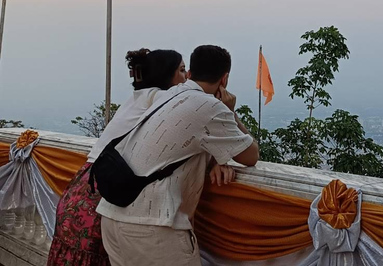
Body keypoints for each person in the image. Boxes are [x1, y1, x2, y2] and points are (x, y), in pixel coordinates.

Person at [47, 49, 232, 266]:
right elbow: (200, 126)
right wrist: (225, 120)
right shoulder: (164, 99)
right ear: (167, 75)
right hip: (107, 196)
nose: (187, 78)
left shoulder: (137, 98)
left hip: (83, 190)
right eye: (182, 71)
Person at [98, 45, 259, 266]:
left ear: (190, 73)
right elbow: (250, 156)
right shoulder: (211, 107)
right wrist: (230, 110)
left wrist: (215, 160)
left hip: (112, 216)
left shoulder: (170, 94)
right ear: (225, 79)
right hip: (152, 227)